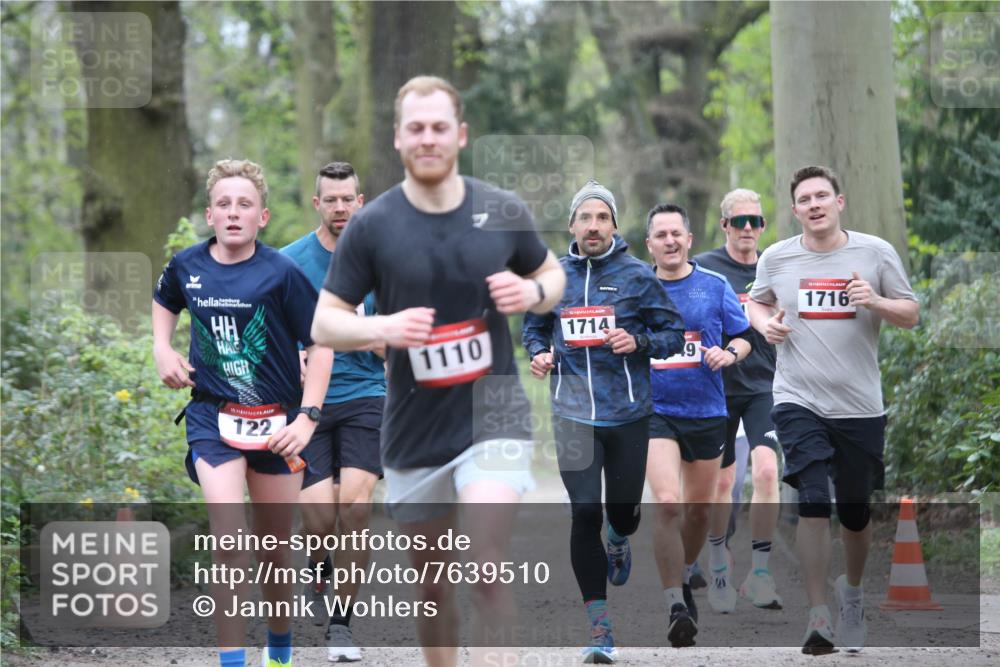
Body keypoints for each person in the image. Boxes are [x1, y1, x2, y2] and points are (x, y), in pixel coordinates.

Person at [310, 76, 565, 667]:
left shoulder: (499, 208)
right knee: (432, 589)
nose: (428, 138)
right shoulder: (373, 225)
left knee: (485, 566)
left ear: (461, 135)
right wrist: (383, 328)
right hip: (414, 428)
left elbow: (554, 279)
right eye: (416, 128)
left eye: (440, 127)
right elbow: (326, 322)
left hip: (492, 415)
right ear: (399, 138)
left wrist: (529, 291)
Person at [153, 159, 333, 667]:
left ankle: (279, 653)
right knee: (230, 543)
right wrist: (162, 349)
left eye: (245, 205)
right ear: (210, 215)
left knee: (274, 553)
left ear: (263, 217)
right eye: (225, 204)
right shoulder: (187, 266)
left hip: (278, 424)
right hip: (213, 419)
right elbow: (164, 299)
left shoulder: (283, 272)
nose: (234, 213)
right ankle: (232, 661)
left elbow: (322, 344)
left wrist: (307, 418)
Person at [748, 165, 918, 654]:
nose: (815, 204)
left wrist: (876, 301)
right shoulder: (777, 259)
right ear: (796, 209)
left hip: (860, 404)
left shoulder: (874, 252)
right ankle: (818, 614)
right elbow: (755, 304)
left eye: (823, 195)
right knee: (813, 501)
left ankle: (854, 593)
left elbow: (911, 313)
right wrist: (765, 326)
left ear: (839, 202)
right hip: (798, 398)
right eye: (805, 199)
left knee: (856, 513)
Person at [522, 181, 684, 663]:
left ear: (614, 225)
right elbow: (532, 327)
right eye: (585, 218)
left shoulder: (637, 276)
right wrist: (540, 353)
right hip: (572, 415)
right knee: (584, 513)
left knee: (623, 513)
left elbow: (672, 333)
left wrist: (638, 341)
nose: (593, 226)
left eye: (602, 218)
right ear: (572, 225)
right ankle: (600, 630)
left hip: (627, 415)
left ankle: (619, 538)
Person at [281, 161, 385, 662]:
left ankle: (341, 625)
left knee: (356, 507)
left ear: (361, 202)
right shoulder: (289, 262)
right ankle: (318, 557)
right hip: (306, 404)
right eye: (332, 200)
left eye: (349, 199)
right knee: (320, 514)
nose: (341, 207)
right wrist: (291, 355)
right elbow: (270, 332)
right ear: (317, 204)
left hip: (368, 394)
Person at [644, 203, 752, 647]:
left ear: (689, 240)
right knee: (668, 503)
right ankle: (675, 602)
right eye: (661, 234)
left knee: (700, 512)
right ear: (649, 244)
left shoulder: (714, 284)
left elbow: (744, 336)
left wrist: (729, 354)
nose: (670, 240)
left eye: (677, 233)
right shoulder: (636, 287)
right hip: (654, 411)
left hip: (707, 411)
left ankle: (685, 573)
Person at [694, 189, 782, 612]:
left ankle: (761, 573)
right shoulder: (707, 269)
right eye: (740, 221)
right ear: (725, 225)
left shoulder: (777, 264)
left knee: (766, 472)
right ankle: (718, 564)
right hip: (717, 387)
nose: (749, 229)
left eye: (756, 221)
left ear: (763, 226)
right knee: (724, 483)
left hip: (766, 385)